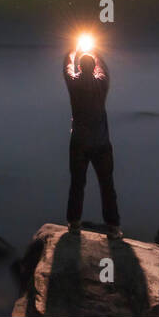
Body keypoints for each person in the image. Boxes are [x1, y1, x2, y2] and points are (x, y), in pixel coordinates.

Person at [62, 47, 121, 239]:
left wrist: (72, 51)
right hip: (102, 143)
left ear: (80, 67)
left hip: (79, 143)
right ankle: (112, 228)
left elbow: (66, 67)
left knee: (77, 185)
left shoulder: (73, 83)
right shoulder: (102, 84)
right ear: (94, 67)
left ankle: (74, 224)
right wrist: (95, 51)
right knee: (107, 186)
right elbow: (104, 68)